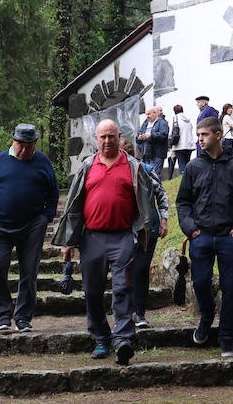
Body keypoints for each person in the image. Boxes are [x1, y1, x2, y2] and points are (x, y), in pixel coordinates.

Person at [53, 119, 163, 364]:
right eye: (102, 137)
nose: (106, 141)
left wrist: (145, 230)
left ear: (118, 136)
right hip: (91, 237)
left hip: (123, 236)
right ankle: (101, 339)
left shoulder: (134, 166)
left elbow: (145, 202)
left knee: (123, 288)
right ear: (96, 138)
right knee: (92, 291)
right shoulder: (87, 166)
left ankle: (123, 338)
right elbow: (74, 202)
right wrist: (68, 241)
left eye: (111, 136)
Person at [176, 116, 233, 358]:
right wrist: (191, 230)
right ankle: (207, 316)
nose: (199, 140)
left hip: (228, 237)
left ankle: (226, 338)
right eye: (198, 136)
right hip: (201, 237)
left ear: (218, 135)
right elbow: (182, 202)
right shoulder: (192, 167)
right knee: (200, 283)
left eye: (204, 135)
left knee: (230, 288)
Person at [0, 124, 59, 334]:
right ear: (14, 142)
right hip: (1, 225)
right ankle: (2, 315)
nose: (25, 150)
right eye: (21, 145)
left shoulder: (43, 161)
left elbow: (53, 193)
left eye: (29, 146)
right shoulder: (0, 160)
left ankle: (23, 318)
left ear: (34, 144)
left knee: (29, 272)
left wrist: (46, 217)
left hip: (32, 226)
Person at [122, 127, 169, 330]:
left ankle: (139, 312)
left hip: (146, 229)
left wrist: (165, 219)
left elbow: (162, 194)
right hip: (121, 229)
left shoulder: (145, 170)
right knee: (125, 271)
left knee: (140, 269)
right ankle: (126, 310)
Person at [135, 105, 170, 181]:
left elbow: (164, 135)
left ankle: (158, 191)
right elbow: (139, 134)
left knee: (155, 175)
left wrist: (151, 135)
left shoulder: (162, 123)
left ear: (155, 113)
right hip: (146, 154)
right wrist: (139, 138)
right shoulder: (145, 123)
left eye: (149, 114)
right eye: (146, 114)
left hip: (157, 153)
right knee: (147, 175)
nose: (147, 116)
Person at [168, 104, 194, 180]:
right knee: (187, 162)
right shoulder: (188, 120)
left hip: (179, 145)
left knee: (181, 163)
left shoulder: (175, 118)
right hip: (189, 145)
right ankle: (189, 179)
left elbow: (171, 133)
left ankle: (183, 179)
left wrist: (170, 143)